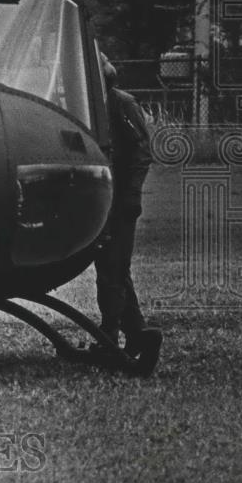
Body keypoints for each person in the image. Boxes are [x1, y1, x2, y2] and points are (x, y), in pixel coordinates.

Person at [95, 55, 161, 359]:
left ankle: (110, 334)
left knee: (113, 269)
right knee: (113, 267)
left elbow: (141, 152)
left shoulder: (121, 103)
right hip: (101, 196)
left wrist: (132, 194)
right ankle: (137, 331)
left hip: (119, 198)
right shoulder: (93, 104)